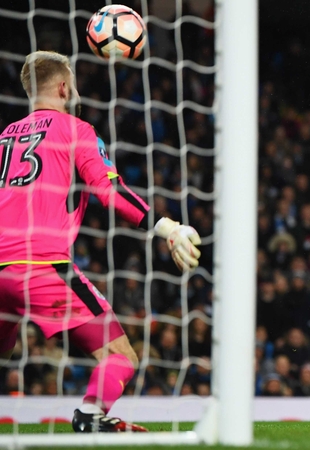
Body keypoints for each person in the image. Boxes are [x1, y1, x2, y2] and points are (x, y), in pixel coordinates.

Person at [0, 51, 201, 432]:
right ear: (63, 86)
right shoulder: (75, 129)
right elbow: (109, 192)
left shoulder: (3, 138)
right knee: (121, 356)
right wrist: (169, 228)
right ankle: (90, 416)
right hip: (42, 265)